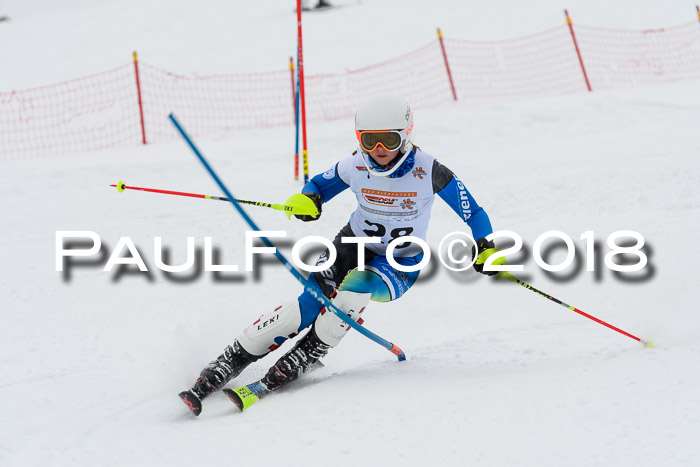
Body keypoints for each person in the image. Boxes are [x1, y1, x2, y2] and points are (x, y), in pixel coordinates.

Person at [179, 95, 503, 415]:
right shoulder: (355, 165)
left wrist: (485, 246)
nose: (378, 149)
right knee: (307, 304)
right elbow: (318, 186)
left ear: (406, 136)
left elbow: (472, 211)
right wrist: (308, 201)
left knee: (353, 291)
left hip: (400, 261)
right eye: (369, 140)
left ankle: (301, 358)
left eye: (388, 140)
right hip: (351, 244)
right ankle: (224, 364)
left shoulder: (429, 171)